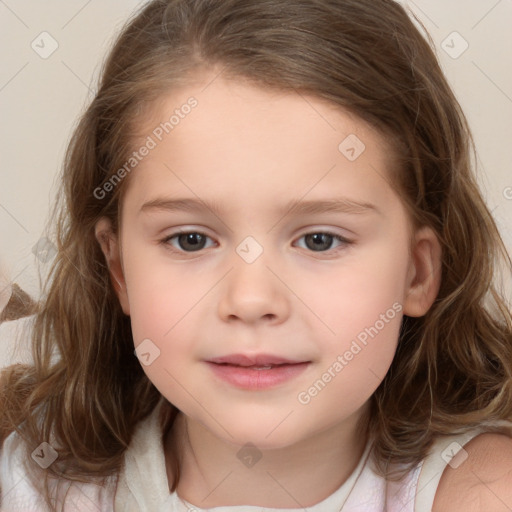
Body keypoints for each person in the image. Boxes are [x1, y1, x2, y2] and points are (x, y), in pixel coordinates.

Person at [1, 0, 512, 510]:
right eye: (191, 240)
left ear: (417, 273)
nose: (250, 300)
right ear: (120, 271)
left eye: (320, 240)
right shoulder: (37, 477)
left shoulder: (479, 491)